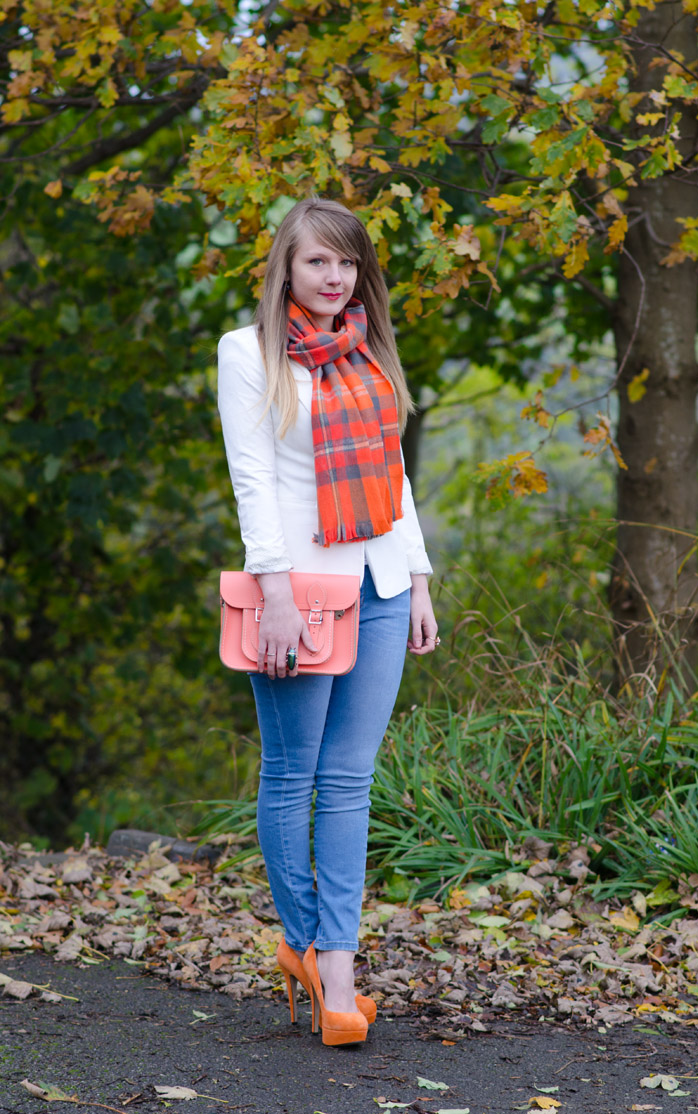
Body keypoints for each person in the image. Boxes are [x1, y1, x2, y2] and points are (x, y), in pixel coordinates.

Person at [217, 197, 438, 1046]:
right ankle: (309, 948)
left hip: (380, 584)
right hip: (301, 592)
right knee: (292, 777)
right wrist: (270, 591)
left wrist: (417, 578)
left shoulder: (369, 352)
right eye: (318, 262)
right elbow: (253, 480)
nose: (335, 277)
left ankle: (333, 970)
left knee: (350, 783)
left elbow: (393, 478)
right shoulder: (250, 353)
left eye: (347, 263)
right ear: (287, 267)